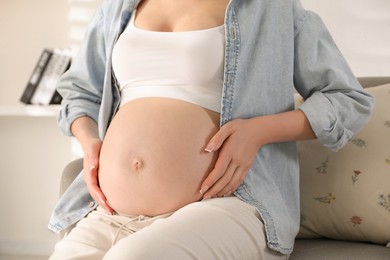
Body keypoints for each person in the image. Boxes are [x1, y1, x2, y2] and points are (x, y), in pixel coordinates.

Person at [48, 0, 373, 259]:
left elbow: (346, 100)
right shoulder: (118, 7)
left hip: (230, 204)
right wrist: (90, 142)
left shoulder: (270, 8)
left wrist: (257, 131)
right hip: (114, 213)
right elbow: (80, 92)